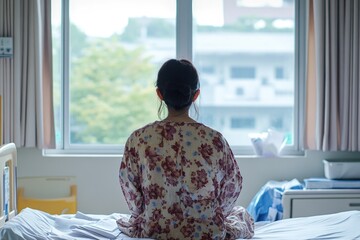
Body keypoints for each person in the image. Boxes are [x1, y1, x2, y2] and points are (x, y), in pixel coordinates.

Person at [117, 59, 254, 239]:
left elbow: (130, 188)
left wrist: (148, 213)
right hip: (208, 231)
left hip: (156, 229)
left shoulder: (139, 139)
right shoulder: (215, 139)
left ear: (159, 94)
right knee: (242, 215)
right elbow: (232, 187)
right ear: (196, 95)